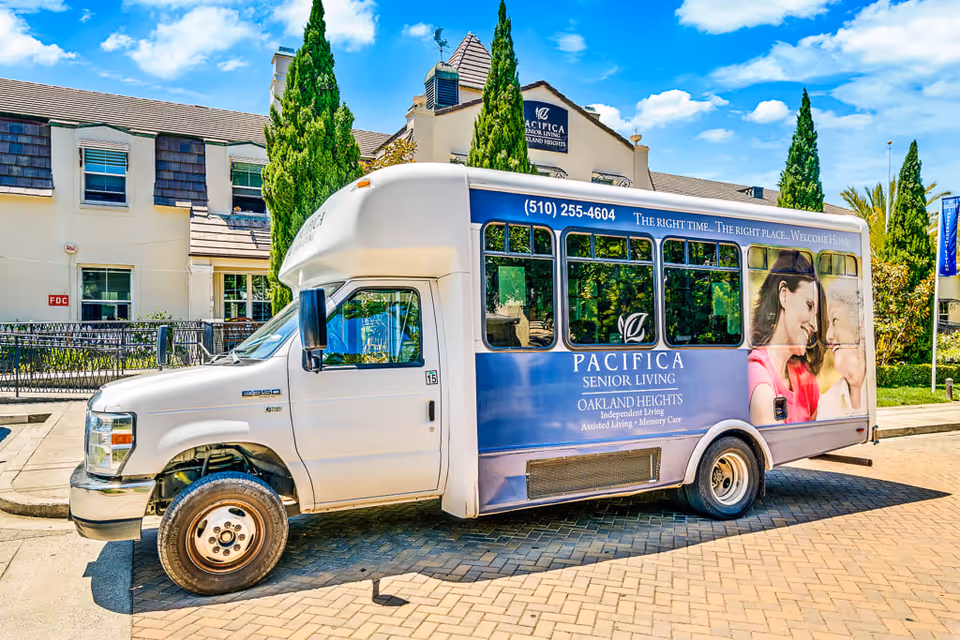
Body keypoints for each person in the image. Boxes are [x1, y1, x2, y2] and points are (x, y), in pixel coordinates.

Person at [748, 250, 825, 425]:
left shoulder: (807, 380)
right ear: (784, 295)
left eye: (817, 314)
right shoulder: (759, 378)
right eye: (809, 305)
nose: (815, 325)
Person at [819, 279, 867, 417]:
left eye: (835, 320)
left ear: (860, 326)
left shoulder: (874, 392)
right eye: (829, 325)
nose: (828, 336)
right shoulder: (827, 404)